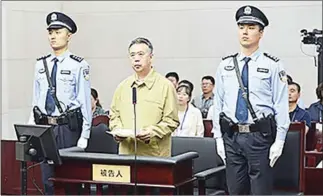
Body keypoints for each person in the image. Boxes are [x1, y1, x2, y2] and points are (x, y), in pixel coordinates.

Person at [212, 5, 290, 195]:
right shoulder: (225, 65)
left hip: (259, 136)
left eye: (251, 27)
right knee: (235, 190)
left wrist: (279, 140)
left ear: (261, 33)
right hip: (231, 134)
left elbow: (281, 105)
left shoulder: (272, 65)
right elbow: (218, 104)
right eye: (241, 27)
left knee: (260, 191)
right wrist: (218, 139)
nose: (245, 32)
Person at [27, 12, 92, 195]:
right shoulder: (41, 64)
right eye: (50, 32)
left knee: (71, 179)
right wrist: (32, 128)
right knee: (47, 180)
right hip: (45, 127)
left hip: (67, 128)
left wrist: (84, 135)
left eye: (58, 31)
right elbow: (36, 100)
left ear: (69, 35)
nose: (53, 36)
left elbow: (84, 102)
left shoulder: (79, 65)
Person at [109, 37, 179, 157]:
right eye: (132, 55)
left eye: (141, 54)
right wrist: (118, 130)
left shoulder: (165, 86)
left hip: (153, 154)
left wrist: (152, 132)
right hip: (126, 153)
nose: (136, 59)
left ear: (151, 57)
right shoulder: (123, 86)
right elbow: (114, 115)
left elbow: (171, 120)